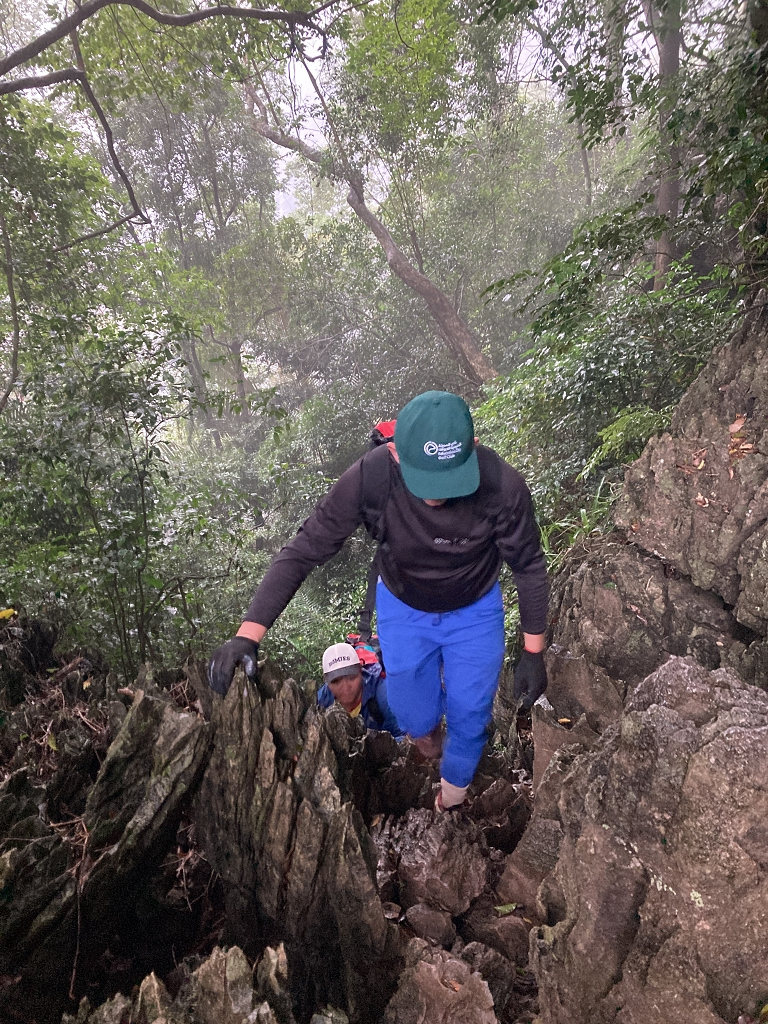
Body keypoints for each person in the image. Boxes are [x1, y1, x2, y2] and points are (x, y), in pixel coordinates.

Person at [208, 390, 548, 811]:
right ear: (396, 454)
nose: (436, 497)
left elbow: (529, 565)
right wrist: (247, 636)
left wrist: (534, 652)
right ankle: (429, 734)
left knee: (471, 712)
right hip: (404, 608)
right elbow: (304, 550)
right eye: (425, 481)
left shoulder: (501, 485)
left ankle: (453, 796)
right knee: (413, 715)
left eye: (447, 480)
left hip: (475, 611)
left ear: (471, 450)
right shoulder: (372, 477)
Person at [316, 641, 403, 737]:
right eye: (336, 681)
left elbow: (407, 739)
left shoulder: (384, 695)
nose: (346, 687)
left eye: (351, 678)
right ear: (327, 682)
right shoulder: (321, 701)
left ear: (361, 671)